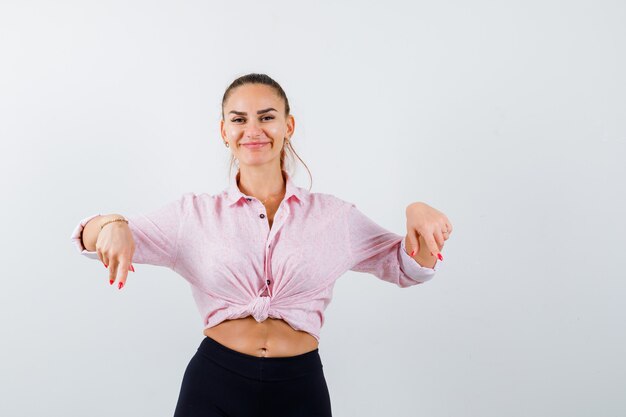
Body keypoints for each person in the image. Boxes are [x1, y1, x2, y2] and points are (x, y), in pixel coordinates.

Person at [70, 73, 453, 417]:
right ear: (224, 131)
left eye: (266, 117)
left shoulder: (335, 217)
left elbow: (407, 266)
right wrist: (114, 223)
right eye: (239, 119)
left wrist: (417, 213)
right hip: (214, 385)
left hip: (299, 390)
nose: (253, 129)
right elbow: (88, 236)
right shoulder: (194, 214)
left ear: (288, 125)